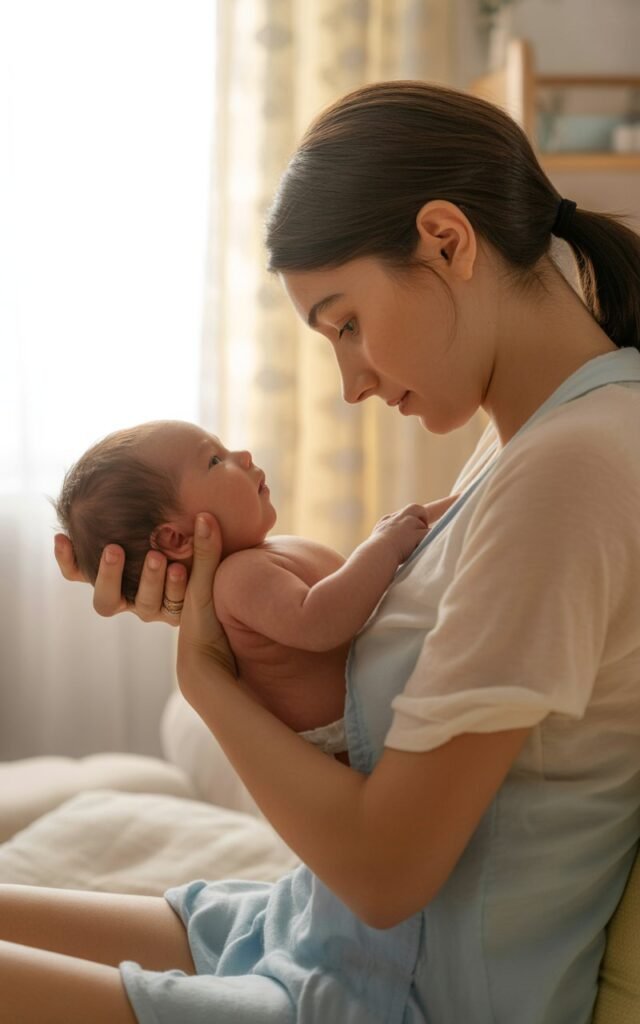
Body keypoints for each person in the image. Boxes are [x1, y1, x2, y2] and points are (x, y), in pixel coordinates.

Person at [3, 79, 640, 1024]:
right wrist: (223, 624)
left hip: (398, 994)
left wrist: (206, 683)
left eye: (347, 323)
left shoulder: (570, 469)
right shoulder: (530, 440)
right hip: (327, 932)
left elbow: (386, 873)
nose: (350, 383)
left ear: (447, 241)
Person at [54, 418, 452, 749]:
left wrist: (415, 525)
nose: (242, 456)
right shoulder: (237, 579)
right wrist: (384, 545)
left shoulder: (258, 558)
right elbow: (321, 621)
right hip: (355, 744)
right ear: (176, 538)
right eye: (214, 460)